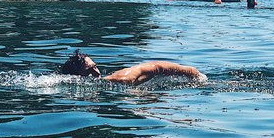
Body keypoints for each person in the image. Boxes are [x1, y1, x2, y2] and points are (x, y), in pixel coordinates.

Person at [60, 50, 206, 85]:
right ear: (78, 76)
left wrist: (190, 72)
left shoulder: (122, 77)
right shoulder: (118, 80)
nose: (96, 72)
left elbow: (156, 66)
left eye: (95, 67)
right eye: (88, 70)